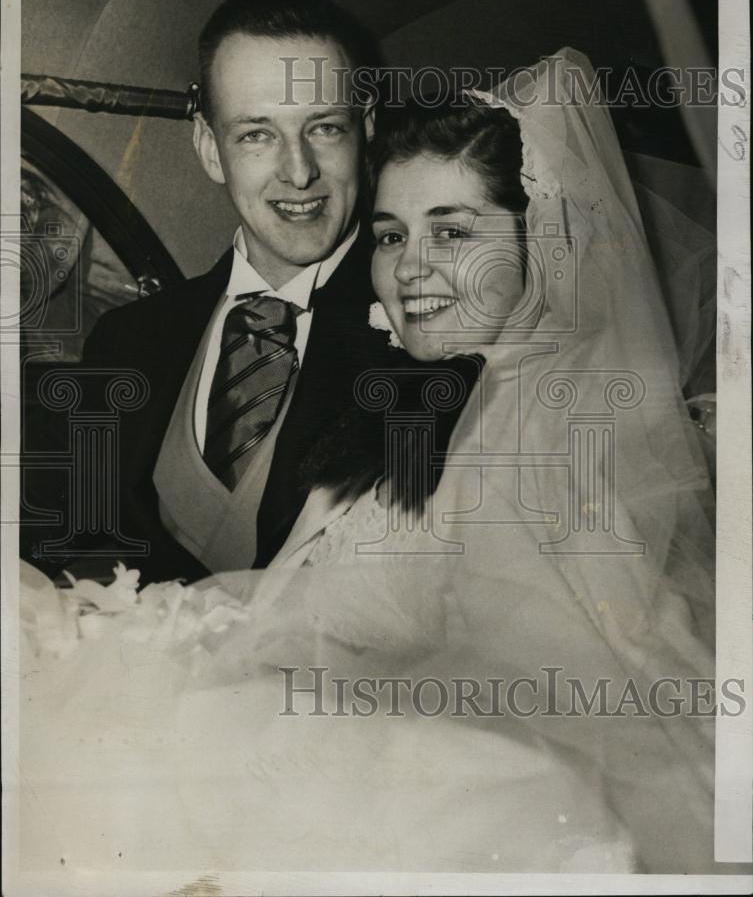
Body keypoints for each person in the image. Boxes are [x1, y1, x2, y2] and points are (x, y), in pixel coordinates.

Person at [19, 50, 716, 874]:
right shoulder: (438, 414)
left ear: (544, 247)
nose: (409, 265)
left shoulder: (549, 447)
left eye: (451, 232)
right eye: (391, 235)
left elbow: (510, 694)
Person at [23, 0, 432, 584]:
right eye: (256, 135)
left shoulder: (427, 330)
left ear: (366, 131)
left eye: (324, 128)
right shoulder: (127, 339)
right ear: (210, 149)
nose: (299, 173)